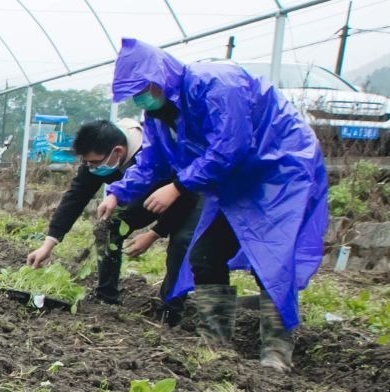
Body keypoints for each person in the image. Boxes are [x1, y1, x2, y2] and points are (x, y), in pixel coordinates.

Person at [99, 38, 329, 370]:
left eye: (144, 88)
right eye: (135, 92)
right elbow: (152, 162)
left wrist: (178, 187)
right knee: (205, 254)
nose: (142, 97)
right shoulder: (159, 116)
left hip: (279, 169)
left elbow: (230, 146)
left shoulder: (218, 83)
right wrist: (117, 192)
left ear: (161, 76)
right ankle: (215, 340)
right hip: (234, 181)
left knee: (273, 257)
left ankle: (277, 349)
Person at [25, 118, 199, 319]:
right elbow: (75, 197)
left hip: (187, 192)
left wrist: (155, 233)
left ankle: (171, 311)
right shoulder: (98, 160)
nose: (91, 168)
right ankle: (106, 297)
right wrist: (48, 244)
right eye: (87, 163)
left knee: (181, 242)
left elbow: (186, 200)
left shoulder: (156, 150)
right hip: (145, 198)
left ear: (117, 152)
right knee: (107, 228)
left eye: (95, 162)